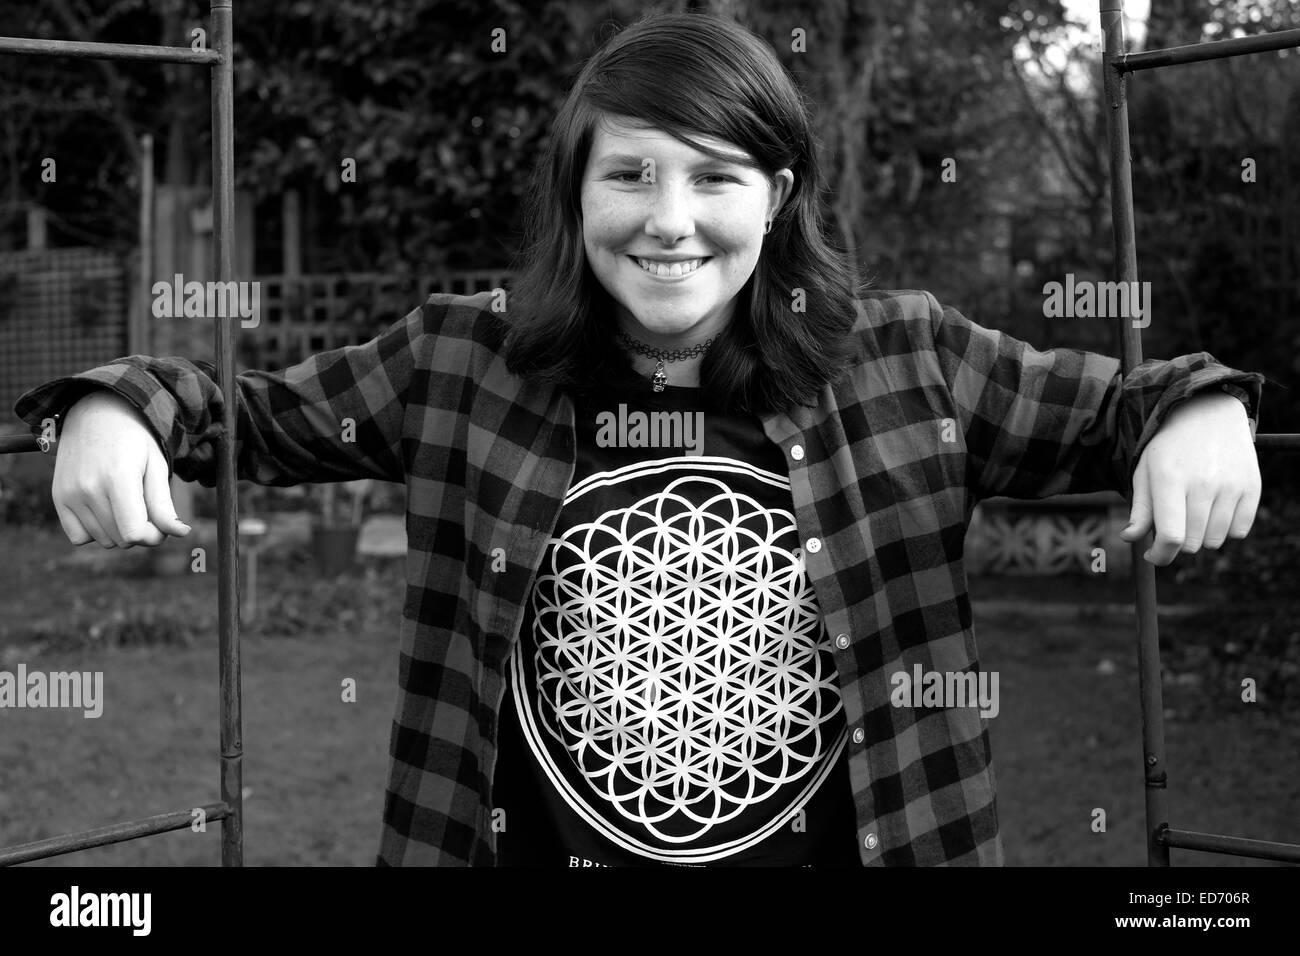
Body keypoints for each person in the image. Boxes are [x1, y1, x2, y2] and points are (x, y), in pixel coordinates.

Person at [14, 11, 1264, 866]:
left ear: (776, 201)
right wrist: (118, 401)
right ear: (578, 192)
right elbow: (246, 411)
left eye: (715, 177)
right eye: (631, 176)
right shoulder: (465, 354)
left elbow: (1115, 401)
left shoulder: (906, 354)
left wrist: (1199, 405)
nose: (670, 222)